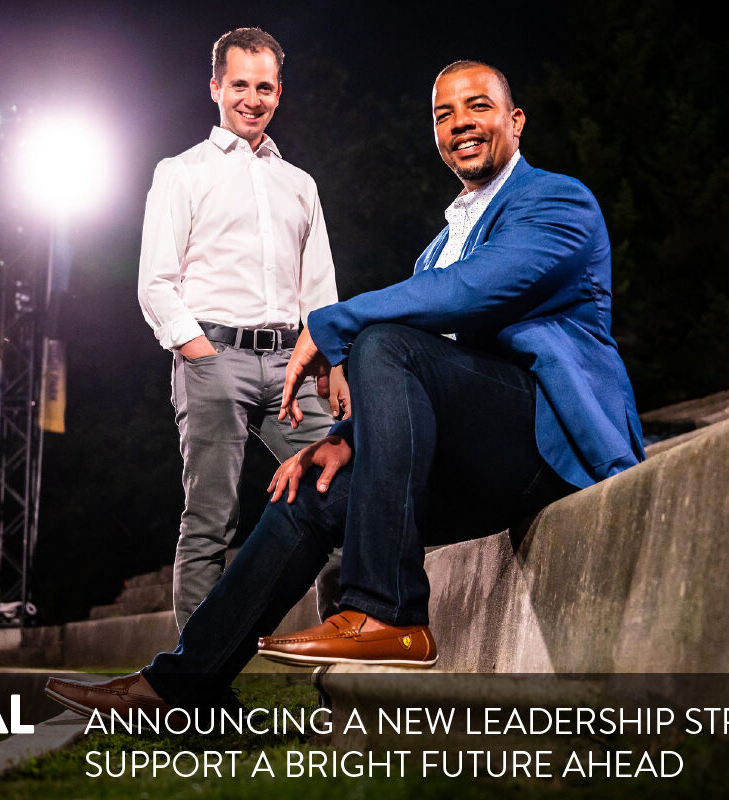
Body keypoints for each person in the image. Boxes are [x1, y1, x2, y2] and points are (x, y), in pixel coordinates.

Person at [47, 60, 644, 716]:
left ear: (515, 120)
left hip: (550, 442)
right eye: (444, 115)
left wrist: (332, 321)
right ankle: (181, 685)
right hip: (484, 460)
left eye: (478, 107)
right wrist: (346, 440)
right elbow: (433, 372)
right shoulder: (441, 246)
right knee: (312, 488)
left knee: (384, 339)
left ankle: (385, 612)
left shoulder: (557, 202)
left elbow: (472, 294)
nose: (461, 125)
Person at [137, 27, 349, 631]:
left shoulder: (300, 183)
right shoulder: (181, 172)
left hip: (293, 364)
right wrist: (199, 353)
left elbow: (320, 289)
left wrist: (332, 362)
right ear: (215, 87)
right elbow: (155, 281)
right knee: (209, 522)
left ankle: (345, 653)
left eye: (263, 87)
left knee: (340, 495)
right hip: (214, 357)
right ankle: (197, 688)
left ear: (278, 93)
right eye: (239, 85)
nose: (251, 98)